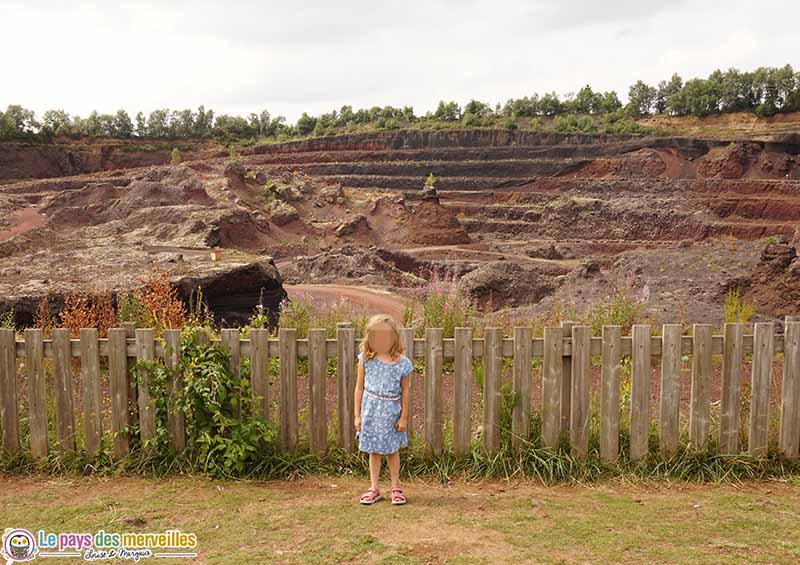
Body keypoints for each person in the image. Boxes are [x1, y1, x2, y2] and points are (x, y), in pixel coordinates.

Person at [354, 314, 413, 505]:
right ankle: (374, 488)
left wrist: (403, 417)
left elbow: (405, 391)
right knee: (374, 451)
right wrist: (357, 415)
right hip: (370, 411)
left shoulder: (401, 363)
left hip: (391, 412)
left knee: (392, 450)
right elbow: (359, 388)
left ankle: (395, 487)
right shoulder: (366, 359)